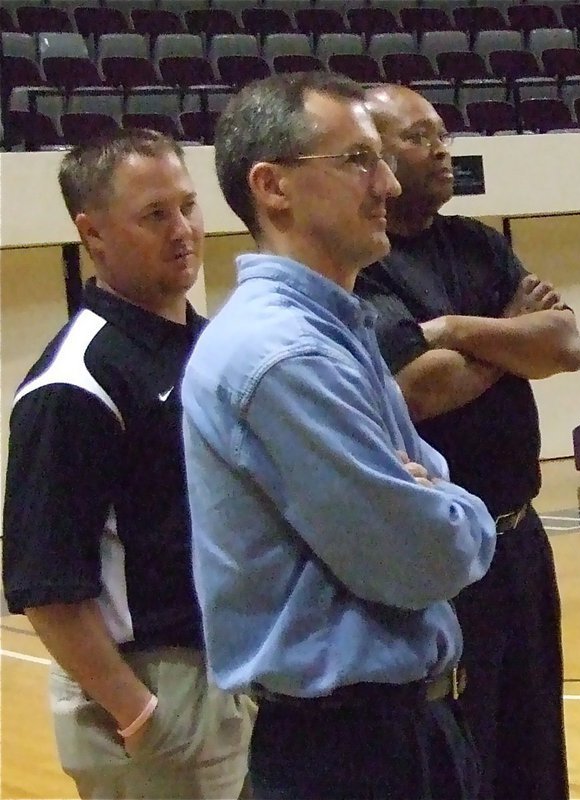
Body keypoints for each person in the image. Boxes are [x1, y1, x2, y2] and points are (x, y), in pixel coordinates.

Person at [182, 71, 497, 800]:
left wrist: (433, 494)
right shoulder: (287, 357)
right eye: (357, 159)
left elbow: (423, 498)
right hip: (348, 752)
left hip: (402, 731)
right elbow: (418, 560)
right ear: (273, 187)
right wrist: (458, 509)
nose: (387, 182)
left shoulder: (333, 330)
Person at [2, 129, 254, 800]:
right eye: (154, 215)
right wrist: (136, 711)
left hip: (236, 672)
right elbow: (45, 582)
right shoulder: (75, 382)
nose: (184, 230)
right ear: (93, 233)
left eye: (188, 205)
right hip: (157, 687)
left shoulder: (206, 345)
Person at [353, 85, 580, 800]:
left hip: (520, 536)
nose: (443, 147)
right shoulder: (367, 265)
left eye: (442, 132)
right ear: (378, 162)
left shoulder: (477, 241)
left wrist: (455, 328)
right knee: (465, 740)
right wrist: (508, 335)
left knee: (534, 731)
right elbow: (421, 389)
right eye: (420, 136)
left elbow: (565, 344)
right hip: (444, 549)